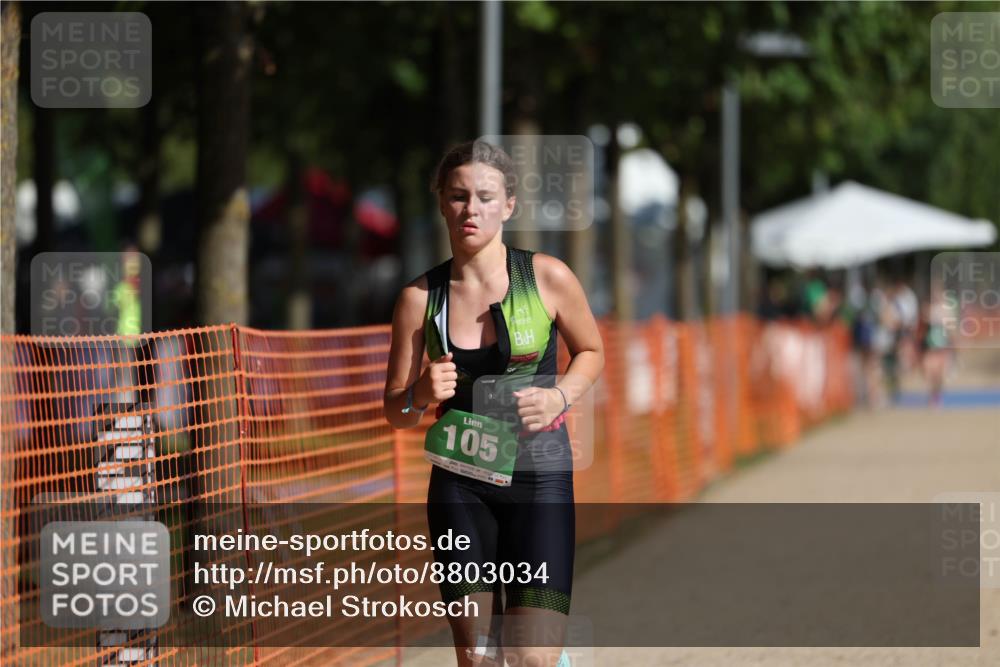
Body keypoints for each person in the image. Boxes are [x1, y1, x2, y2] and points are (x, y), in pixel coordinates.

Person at [383, 140, 604, 666]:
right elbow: (394, 408)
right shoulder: (419, 299)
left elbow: (592, 351)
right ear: (441, 202)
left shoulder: (547, 277)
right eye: (458, 196)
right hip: (461, 482)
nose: (471, 209)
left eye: (485, 197)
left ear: (508, 205)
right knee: (478, 655)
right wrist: (417, 394)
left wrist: (559, 396)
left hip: (540, 478)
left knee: (531, 657)